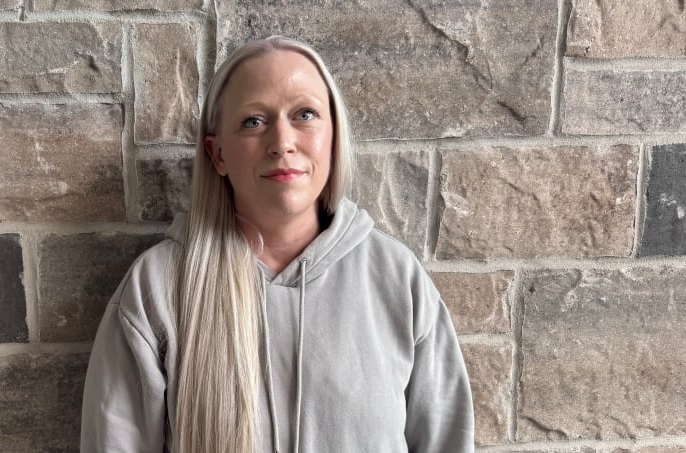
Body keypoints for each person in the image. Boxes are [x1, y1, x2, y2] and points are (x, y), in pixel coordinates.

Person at [80, 35, 474, 453]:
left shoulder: (398, 280)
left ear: (333, 137)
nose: (282, 142)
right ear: (217, 155)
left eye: (305, 114)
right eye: (253, 121)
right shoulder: (156, 289)